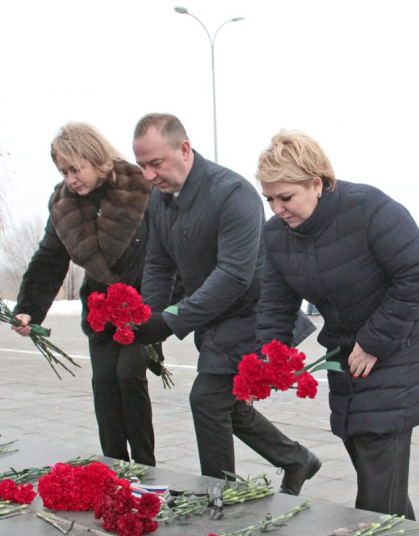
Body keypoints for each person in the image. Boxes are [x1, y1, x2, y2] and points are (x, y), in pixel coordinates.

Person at [252, 131, 419, 519]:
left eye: (285, 197)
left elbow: (415, 276)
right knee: (361, 444)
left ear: (316, 183)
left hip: (405, 338)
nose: (277, 209)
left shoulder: (369, 209)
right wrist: (266, 361)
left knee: (376, 442)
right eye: (269, 199)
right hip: (347, 344)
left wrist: (375, 341)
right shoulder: (277, 236)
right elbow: (275, 303)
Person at [131, 114, 319, 494]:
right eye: (142, 166)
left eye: (156, 164)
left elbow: (235, 275)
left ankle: (219, 492)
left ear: (184, 149)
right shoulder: (160, 201)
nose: (149, 176)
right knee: (224, 403)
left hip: (254, 312)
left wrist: (170, 321)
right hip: (214, 317)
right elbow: (158, 263)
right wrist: (147, 321)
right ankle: (296, 459)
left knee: (207, 398)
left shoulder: (232, 193)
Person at [11, 122, 158, 466]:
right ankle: (114, 466)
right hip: (101, 309)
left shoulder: (140, 187)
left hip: (143, 306)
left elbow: (164, 249)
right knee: (104, 384)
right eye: (64, 171)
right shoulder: (63, 205)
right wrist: (28, 309)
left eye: (76, 168)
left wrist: (164, 305)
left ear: (96, 158)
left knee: (128, 376)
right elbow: (49, 259)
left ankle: (146, 469)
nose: (71, 178)